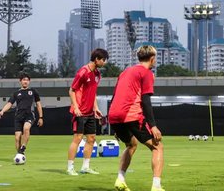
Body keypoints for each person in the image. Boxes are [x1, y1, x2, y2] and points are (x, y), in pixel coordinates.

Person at [109, 45, 164, 191]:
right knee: (157, 146)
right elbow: (146, 100)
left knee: (131, 144)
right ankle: (156, 186)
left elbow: (115, 96)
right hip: (131, 115)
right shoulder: (147, 73)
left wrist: (116, 123)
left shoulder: (125, 72)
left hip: (114, 115)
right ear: (152, 59)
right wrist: (152, 125)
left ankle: (120, 180)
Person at [66, 48, 108, 176]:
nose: (105, 62)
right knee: (77, 138)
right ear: (96, 59)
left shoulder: (97, 74)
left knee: (91, 138)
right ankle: (70, 167)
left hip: (90, 112)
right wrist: (76, 107)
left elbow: (92, 93)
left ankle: (85, 167)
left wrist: (96, 108)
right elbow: (71, 90)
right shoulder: (83, 72)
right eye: (103, 60)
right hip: (80, 112)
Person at [0, 73, 43, 156]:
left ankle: (23, 146)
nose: (25, 81)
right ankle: (20, 155)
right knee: (17, 138)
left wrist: (41, 117)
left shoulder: (33, 91)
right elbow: (9, 103)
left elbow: (38, 104)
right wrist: (3, 111)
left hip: (29, 114)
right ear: (20, 81)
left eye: (27, 80)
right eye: (24, 80)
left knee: (26, 128)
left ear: (29, 81)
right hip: (18, 116)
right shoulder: (16, 93)